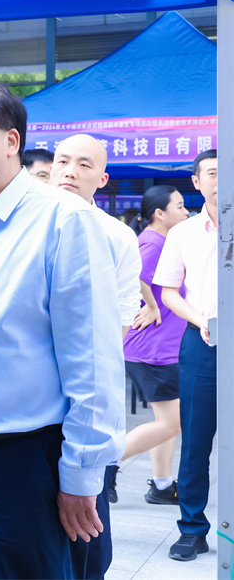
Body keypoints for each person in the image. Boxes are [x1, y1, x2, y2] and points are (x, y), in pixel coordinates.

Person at [0, 79, 125, 579]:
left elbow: (92, 361)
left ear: (11, 140)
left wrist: (82, 475)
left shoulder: (64, 222)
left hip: (24, 466)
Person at [49, 133, 142, 579]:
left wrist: (90, 370)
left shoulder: (117, 235)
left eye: (84, 165)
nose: (70, 171)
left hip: (84, 393)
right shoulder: (25, 225)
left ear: (102, 179)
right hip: (28, 403)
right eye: (63, 161)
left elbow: (121, 316)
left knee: (87, 531)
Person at [153, 149, 218, 562]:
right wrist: (202, 320)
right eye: (212, 173)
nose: (220, 179)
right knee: (195, 438)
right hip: (202, 341)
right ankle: (192, 529)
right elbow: (168, 292)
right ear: (197, 181)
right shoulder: (184, 233)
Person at [120, 185, 189, 504]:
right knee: (173, 422)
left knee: (168, 422)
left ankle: (162, 485)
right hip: (152, 351)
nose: (186, 212)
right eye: (180, 206)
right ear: (160, 213)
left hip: (160, 350)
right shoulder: (152, 242)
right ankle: (106, 464)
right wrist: (150, 305)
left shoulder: (163, 241)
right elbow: (133, 274)